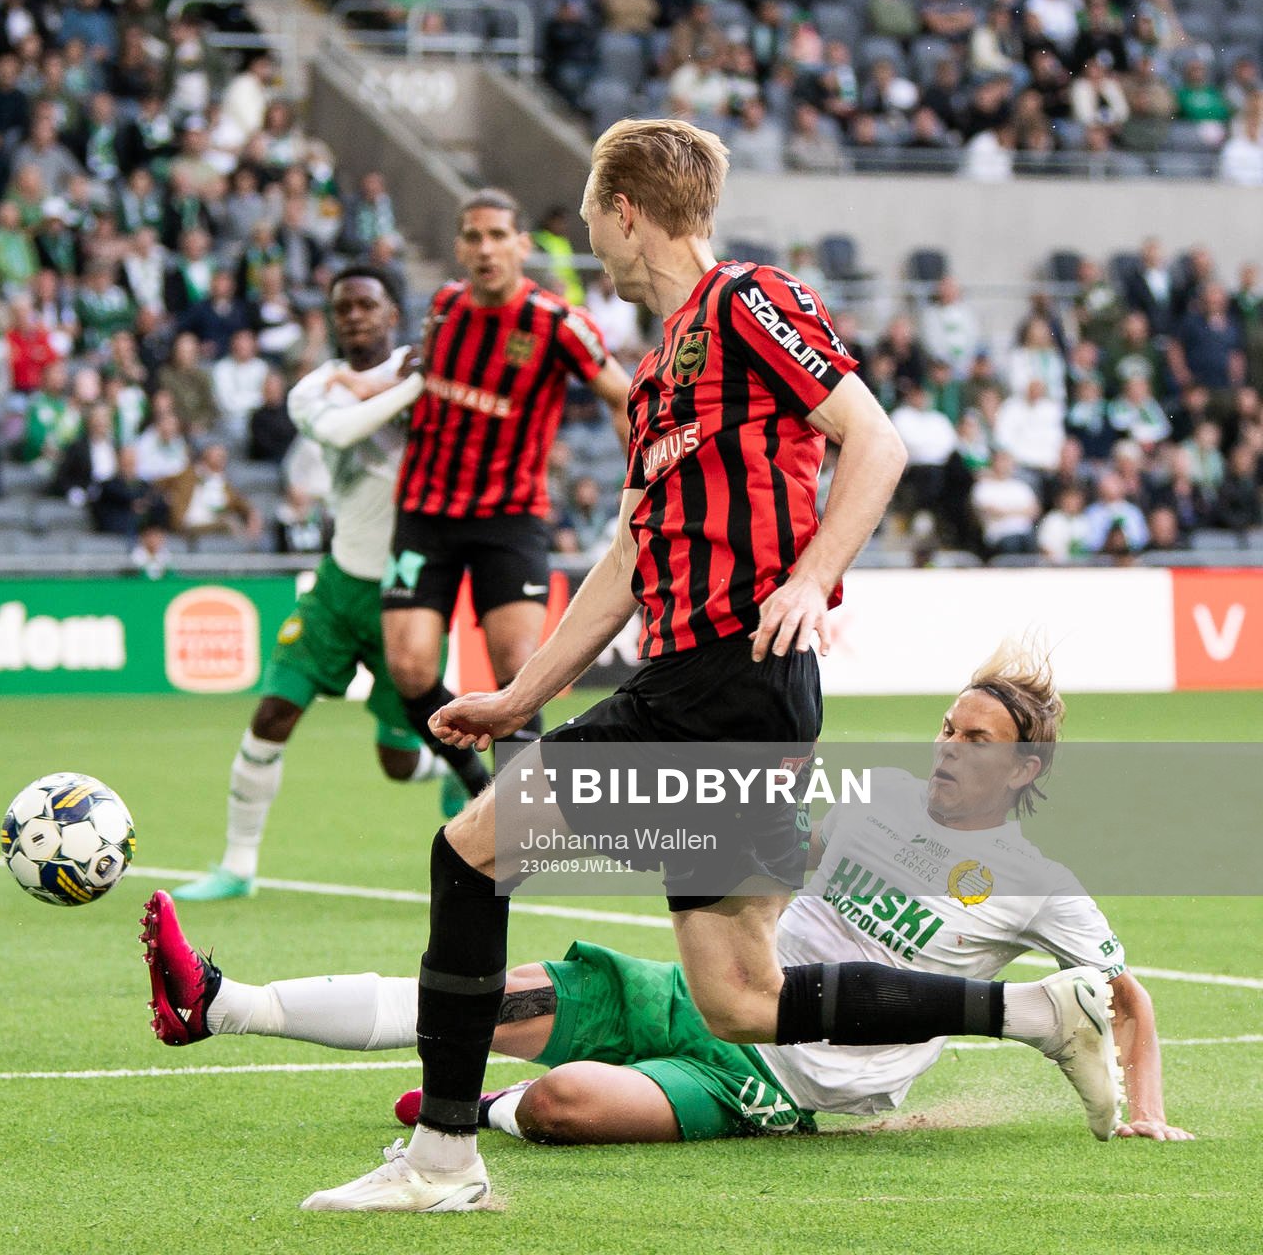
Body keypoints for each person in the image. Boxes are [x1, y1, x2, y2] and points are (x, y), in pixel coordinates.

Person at [240, 119, 1108, 1211]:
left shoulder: (748, 300)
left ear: (625, 212)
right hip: (717, 686)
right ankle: (1033, 1013)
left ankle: (445, 1159)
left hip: (723, 678)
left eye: (590, 213)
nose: (587, 235)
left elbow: (876, 438)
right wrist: (520, 693)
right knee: (742, 996)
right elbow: (627, 557)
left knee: (470, 857)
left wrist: (807, 579)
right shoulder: (658, 372)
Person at [144, 644, 1192, 1146]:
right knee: (492, 990)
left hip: (783, 1084)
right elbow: (772, 887)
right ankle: (224, 1001)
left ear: (1024, 769)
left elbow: (1123, 994)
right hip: (715, 989)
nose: (949, 749)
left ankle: (488, 1108)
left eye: (977, 741)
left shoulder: (1041, 887)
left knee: (561, 1104)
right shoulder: (875, 801)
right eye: (948, 729)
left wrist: (1145, 1112)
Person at [175, 267, 461, 904]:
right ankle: (237, 866)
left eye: (368, 304)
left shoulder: (431, 374)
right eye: (343, 307)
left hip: (407, 590)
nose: (355, 315)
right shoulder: (316, 389)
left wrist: (422, 378)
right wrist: (419, 383)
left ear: (392, 312)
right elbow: (340, 431)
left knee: (395, 760)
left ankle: (442, 767)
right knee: (273, 712)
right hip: (336, 586)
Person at [380, 188, 632, 812]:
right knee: (409, 669)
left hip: (509, 518)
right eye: (473, 236)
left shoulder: (556, 324)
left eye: (498, 235)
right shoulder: (443, 306)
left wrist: (642, 485)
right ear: (460, 247)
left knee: (519, 672)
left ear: (522, 245)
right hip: (425, 513)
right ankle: (477, 786)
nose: (485, 247)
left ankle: (514, 819)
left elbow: (624, 397)